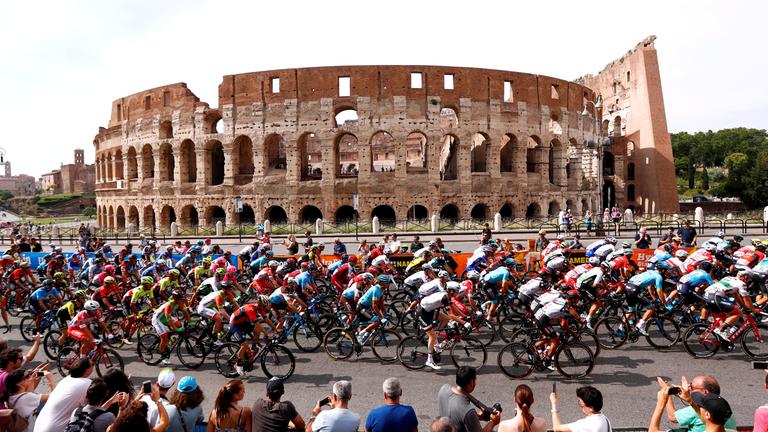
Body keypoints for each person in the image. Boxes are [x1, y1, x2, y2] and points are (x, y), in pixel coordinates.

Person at [33, 358, 92, 432]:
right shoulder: (87, 383)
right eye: (92, 365)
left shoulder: (66, 379)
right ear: (86, 371)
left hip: (38, 426)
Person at [438, 366, 500, 432]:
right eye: (475, 380)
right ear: (470, 383)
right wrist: (493, 422)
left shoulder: (444, 389)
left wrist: (477, 417)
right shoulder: (468, 411)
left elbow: (455, 415)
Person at [663, 375, 736, 431]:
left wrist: (667, 392)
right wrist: (688, 397)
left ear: (704, 392)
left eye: (692, 386)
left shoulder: (700, 410)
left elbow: (672, 417)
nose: (689, 387)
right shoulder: (722, 405)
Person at [2, 367, 56, 432]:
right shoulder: (26, 398)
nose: (29, 378)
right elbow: (55, 397)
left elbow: (29, 393)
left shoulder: (11, 397)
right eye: (27, 377)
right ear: (19, 384)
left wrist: (31, 380)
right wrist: (51, 379)